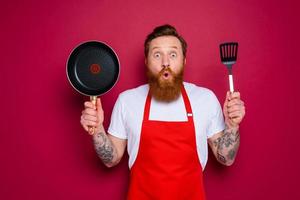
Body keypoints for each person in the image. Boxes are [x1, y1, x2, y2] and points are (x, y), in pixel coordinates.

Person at [80, 24, 245, 200]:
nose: (165, 62)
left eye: (173, 55)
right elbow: (110, 160)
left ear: (184, 61)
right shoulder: (127, 100)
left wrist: (232, 125)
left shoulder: (205, 98)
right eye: (157, 54)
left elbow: (226, 159)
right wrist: (97, 130)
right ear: (146, 61)